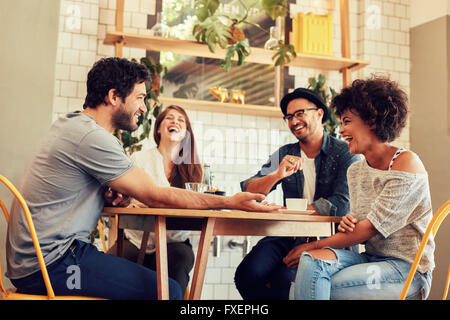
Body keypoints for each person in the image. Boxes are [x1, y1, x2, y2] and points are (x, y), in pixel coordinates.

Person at [5, 57, 280, 300]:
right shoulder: (93, 137)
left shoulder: (72, 125)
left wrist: (107, 194)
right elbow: (155, 194)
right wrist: (230, 201)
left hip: (35, 261)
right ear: (114, 96)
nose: (144, 108)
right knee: (169, 292)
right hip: (53, 265)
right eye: (139, 98)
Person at [289, 76, 434, 300]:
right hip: (370, 259)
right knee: (312, 262)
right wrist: (350, 222)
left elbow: (367, 230)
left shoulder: (406, 163)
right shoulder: (355, 170)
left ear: (372, 120)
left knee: (313, 282)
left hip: (407, 270)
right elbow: (360, 229)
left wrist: (313, 244)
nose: (341, 130)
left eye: (347, 121)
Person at [234, 87, 360, 300]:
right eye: (289, 117)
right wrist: (276, 175)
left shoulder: (345, 152)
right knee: (247, 274)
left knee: (285, 280)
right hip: (287, 233)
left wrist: (291, 210)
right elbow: (249, 189)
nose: (294, 121)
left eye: (300, 113)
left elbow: (341, 204)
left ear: (319, 114)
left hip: (329, 238)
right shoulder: (285, 153)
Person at [108, 105, 201, 298]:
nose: (175, 121)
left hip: (174, 241)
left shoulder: (193, 167)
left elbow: (197, 202)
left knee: (182, 258)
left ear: (186, 133)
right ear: (158, 128)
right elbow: (129, 200)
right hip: (135, 238)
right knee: (113, 262)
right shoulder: (139, 159)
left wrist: (147, 202)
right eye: (170, 118)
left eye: (181, 120)